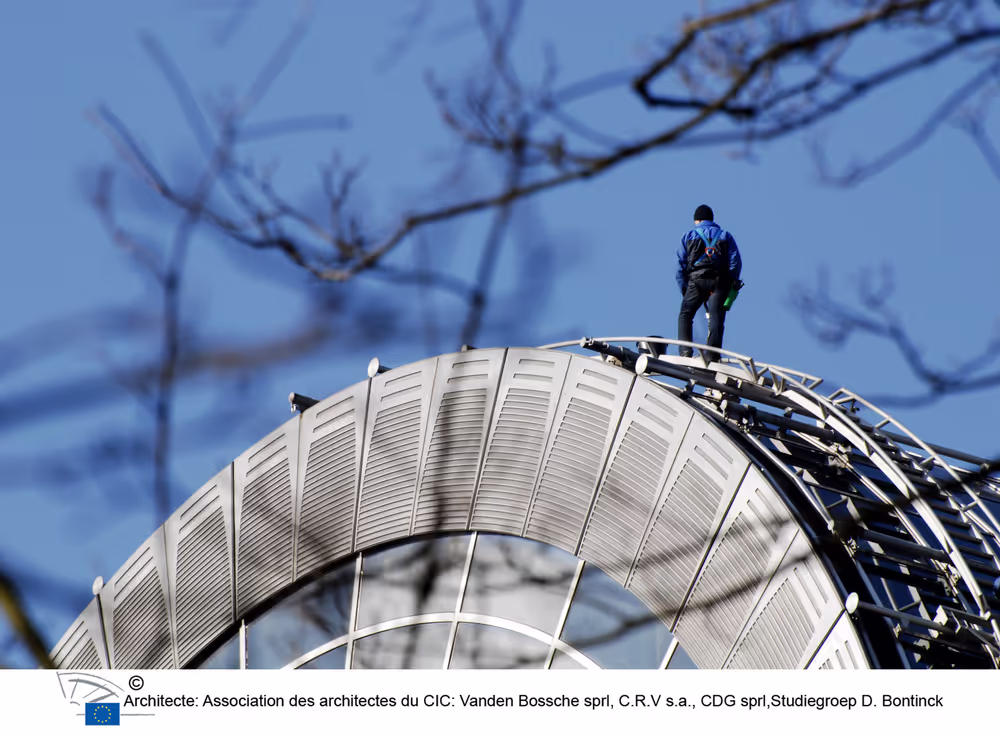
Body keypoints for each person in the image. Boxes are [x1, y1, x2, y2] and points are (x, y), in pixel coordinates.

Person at [676, 204, 742, 362]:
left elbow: (680, 265)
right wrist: (731, 281)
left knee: (686, 314)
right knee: (716, 317)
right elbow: (735, 262)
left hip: (696, 281)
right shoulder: (726, 235)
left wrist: (685, 289)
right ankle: (712, 355)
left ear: (697, 220)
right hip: (719, 282)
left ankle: (685, 351)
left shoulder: (688, 235)